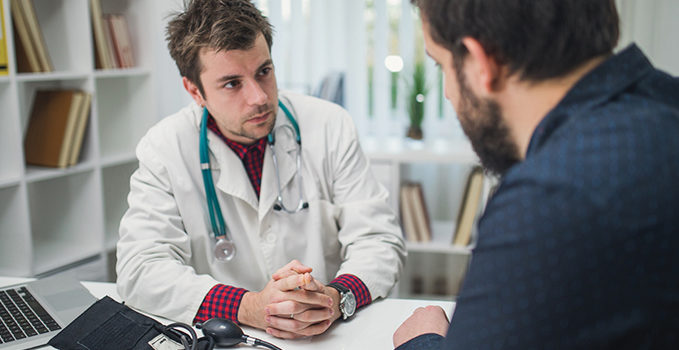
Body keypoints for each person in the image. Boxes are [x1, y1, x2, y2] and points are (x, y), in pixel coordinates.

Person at [394, 0, 679, 348]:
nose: (449, 95)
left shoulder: (551, 195)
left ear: (480, 61)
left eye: (441, 66)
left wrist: (420, 340)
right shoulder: (665, 101)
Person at [115, 0, 405, 340]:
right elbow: (141, 269)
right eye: (232, 83)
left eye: (264, 72)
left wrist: (336, 298)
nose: (258, 97)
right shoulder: (165, 148)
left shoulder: (329, 125)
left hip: (327, 337)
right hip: (229, 339)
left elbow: (379, 241)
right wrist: (249, 306)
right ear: (195, 91)